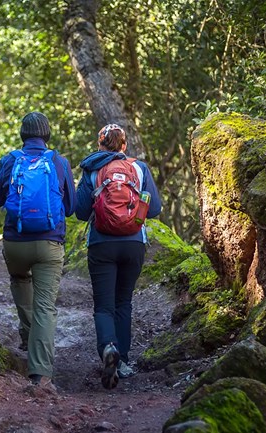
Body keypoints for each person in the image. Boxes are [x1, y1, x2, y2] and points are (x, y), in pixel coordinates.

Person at [0, 111, 76, 388]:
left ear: (22, 135)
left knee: (21, 279)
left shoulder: (10, 161)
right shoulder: (59, 162)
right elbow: (69, 208)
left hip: (16, 243)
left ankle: (27, 335)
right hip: (49, 245)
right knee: (45, 307)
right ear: (47, 135)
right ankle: (40, 374)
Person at [75, 124, 162, 390]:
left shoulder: (91, 168)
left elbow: (78, 212)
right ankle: (122, 361)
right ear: (124, 145)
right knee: (124, 302)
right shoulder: (140, 168)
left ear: (100, 144)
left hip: (101, 244)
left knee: (104, 305)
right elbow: (155, 209)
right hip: (134, 243)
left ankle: (108, 347)